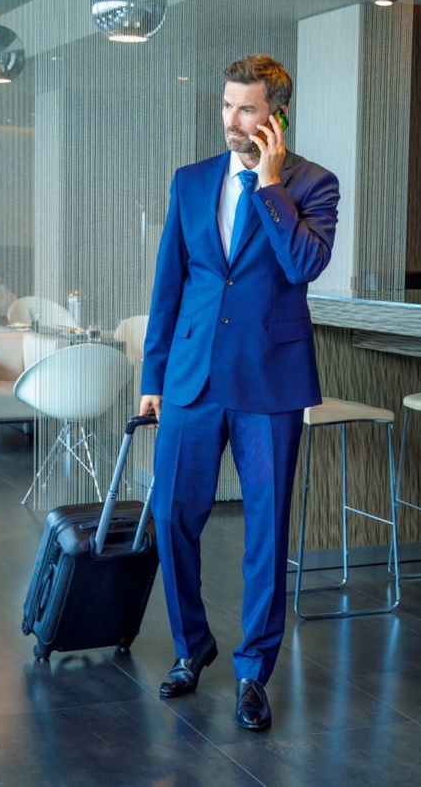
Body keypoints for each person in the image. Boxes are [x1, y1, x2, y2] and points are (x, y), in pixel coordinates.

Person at [139, 54, 339, 730]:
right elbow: (171, 285)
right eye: (226, 105)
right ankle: (191, 648)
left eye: (247, 108)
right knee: (172, 517)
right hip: (192, 379)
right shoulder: (190, 182)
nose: (232, 120)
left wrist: (270, 184)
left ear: (275, 115)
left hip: (269, 382)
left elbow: (305, 263)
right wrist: (152, 379)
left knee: (265, 530)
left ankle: (254, 671)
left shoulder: (313, 183)